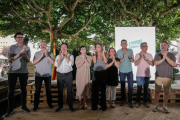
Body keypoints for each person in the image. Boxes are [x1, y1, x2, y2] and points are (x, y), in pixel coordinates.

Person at [4, 32, 31, 117]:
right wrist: (20, 53)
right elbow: (10, 60)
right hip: (13, 72)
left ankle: (24, 106)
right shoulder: (12, 47)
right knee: (11, 91)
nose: (20, 39)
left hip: (23, 72)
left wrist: (25, 52)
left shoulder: (27, 48)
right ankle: (10, 109)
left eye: (21, 37)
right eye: (18, 37)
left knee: (24, 90)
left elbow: (28, 60)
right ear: (15, 38)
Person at [152, 41, 175, 113]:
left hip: (168, 76)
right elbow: (155, 63)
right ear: (160, 47)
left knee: (166, 92)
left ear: (167, 46)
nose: (163, 46)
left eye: (164, 45)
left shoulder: (171, 55)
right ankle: (156, 105)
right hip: (159, 76)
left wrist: (166, 56)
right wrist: (163, 58)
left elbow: (173, 64)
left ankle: (165, 105)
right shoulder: (157, 55)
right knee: (157, 92)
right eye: (162, 45)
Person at [32, 41, 55, 111]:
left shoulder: (50, 53)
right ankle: (35, 105)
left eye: (44, 44)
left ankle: (50, 104)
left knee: (48, 90)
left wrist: (46, 55)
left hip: (47, 75)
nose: (42, 46)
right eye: (41, 45)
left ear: (46, 45)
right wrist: (42, 55)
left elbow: (53, 62)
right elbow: (34, 62)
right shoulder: (37, 53)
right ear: (40, 46)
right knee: (37, 90)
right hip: (38, 74)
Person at [54, 43, 75, 112]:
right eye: (62, 47)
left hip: (68, 75)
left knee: (69, 91)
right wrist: (60, 57)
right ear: (60, 48)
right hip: (60, 75)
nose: (63, 48)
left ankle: (70, 106)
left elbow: (70, 64)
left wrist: (66, 57)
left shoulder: (71, 56)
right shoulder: (57, 56)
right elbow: (56, 64)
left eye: (65, 47)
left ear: (67, 48)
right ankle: (60, 106)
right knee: (60, 91)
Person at [134, 42, 153, 108]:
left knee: (146, 89)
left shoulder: (150, 55)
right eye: (144, 46)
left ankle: (145, 102)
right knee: (139, 89)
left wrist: (146, 59)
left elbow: (152, 64)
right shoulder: (137, 55)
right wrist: (141, 57)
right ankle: (137, 102)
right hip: (139, 75)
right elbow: (135, 64)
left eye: (146, 46)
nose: (146, 47)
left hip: (147, 75)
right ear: (141, 47)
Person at [117, 39, 134, 108]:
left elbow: (133, 61)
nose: (124, 44)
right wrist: (124, 57)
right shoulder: (118, 52)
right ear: (121, 45)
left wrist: (130, 58)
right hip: (122, 71)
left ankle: (130, 101)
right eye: (123, 43)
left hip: (129, 71)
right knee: (122, 87)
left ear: (127, 44)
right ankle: (123, 100)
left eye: (125, 43)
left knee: (131, 87)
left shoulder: (130, 51)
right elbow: (119, 62)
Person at [91, 43, 107, 111]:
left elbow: (106, 61)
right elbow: (94, 61)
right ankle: (94, 106)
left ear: (101, 48)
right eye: (96, 47)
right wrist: (94, 52)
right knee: (95, 91)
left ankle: (103, 106)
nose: (97, 48)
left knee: (103, 90)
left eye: (98, 47)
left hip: (103, 73)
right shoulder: (94, 55)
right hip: (96, 74)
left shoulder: (104, 54)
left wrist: (103, 53)